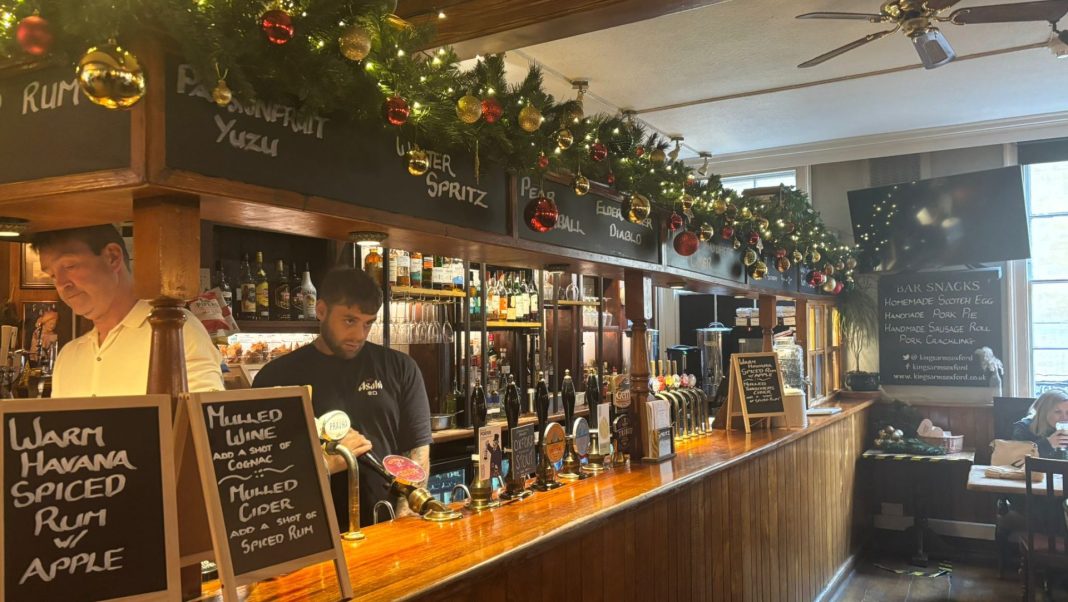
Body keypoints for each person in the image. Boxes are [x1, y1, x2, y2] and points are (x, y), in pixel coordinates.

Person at [253, 267, 431, 527]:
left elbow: (417, 449)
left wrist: (406, 518)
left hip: (385, 524)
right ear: (321, 310)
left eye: (368, 323)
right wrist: (325, 464)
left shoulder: (400, 367)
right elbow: (262, 468)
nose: (359, 335)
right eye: (349, 321)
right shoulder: (276, 377)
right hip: (306, 528)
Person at [32, 225, 223, 397]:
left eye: (69, 266)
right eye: (52, 275)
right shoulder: (68, 356)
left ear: (112, 257)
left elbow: (204, 425)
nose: (61, 283)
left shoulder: (175, 331)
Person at [1012, 389, 1068, 458]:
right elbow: (1017, 459)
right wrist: (1048, 444)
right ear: (1044, 412)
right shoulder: (1023, 428)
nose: (1064, 418)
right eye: (1058, 412)